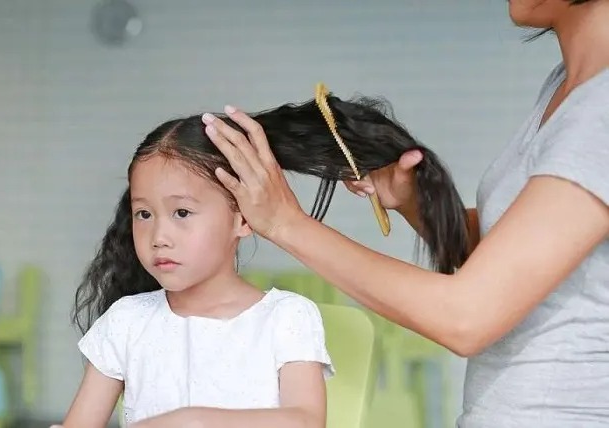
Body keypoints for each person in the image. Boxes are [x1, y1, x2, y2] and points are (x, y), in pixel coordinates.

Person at [199, 1, 609, 426]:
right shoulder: (567, 88)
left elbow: (467, 316)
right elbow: (513, 269)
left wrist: (286, 223)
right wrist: (417, 202)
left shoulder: (601, 108)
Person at [56, 114, 337, 428]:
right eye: (144, 213)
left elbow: (305, 422)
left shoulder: (287, 317)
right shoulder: (125, 322)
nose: (159, 237)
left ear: (243, 219)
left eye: (182, 212)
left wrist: (193, 421)